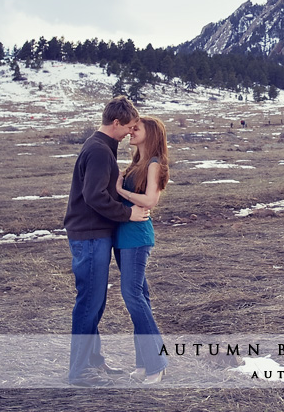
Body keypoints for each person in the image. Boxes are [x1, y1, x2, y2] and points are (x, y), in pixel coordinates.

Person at [64, 96, 152, 387]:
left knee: (95, 303)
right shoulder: (100, 151)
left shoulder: (100, 146)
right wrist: (127, 213)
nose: (130, 131)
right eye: (128, 126)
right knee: (89, 303)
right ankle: (80, 372)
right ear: (116, 122)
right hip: (89, 236)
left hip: (92, 235)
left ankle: (92, 362)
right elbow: (94, 196)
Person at [114, 115, 170, 384]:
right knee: (140, 300)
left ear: (152, 133)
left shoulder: (155, 164)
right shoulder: (135, 163)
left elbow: (150, 200)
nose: (131, 131)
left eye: (137, 129)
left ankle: (157, 363)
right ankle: (144, 363)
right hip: (123, 238)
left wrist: (121, 191)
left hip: (137, 238)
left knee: (132, 297)